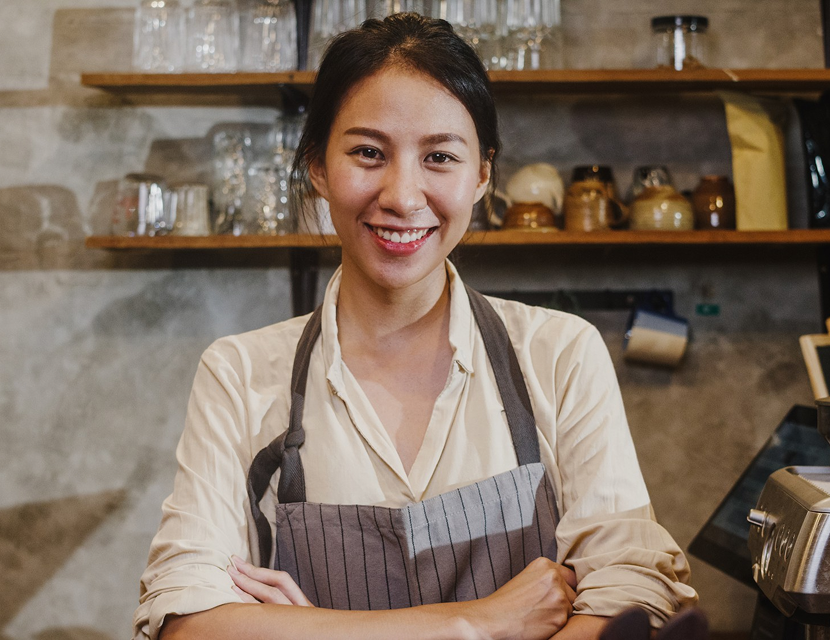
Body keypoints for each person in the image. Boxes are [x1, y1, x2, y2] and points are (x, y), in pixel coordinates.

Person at [134, 13, 697, 640]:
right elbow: (186, 622)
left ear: (482, 174)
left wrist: (307, 629)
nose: (403, 196)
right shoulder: (239, 375)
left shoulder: (559, 354)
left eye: (440, 157)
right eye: (368, 153)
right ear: (317, 166)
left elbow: (629, 591)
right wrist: (474, 623)